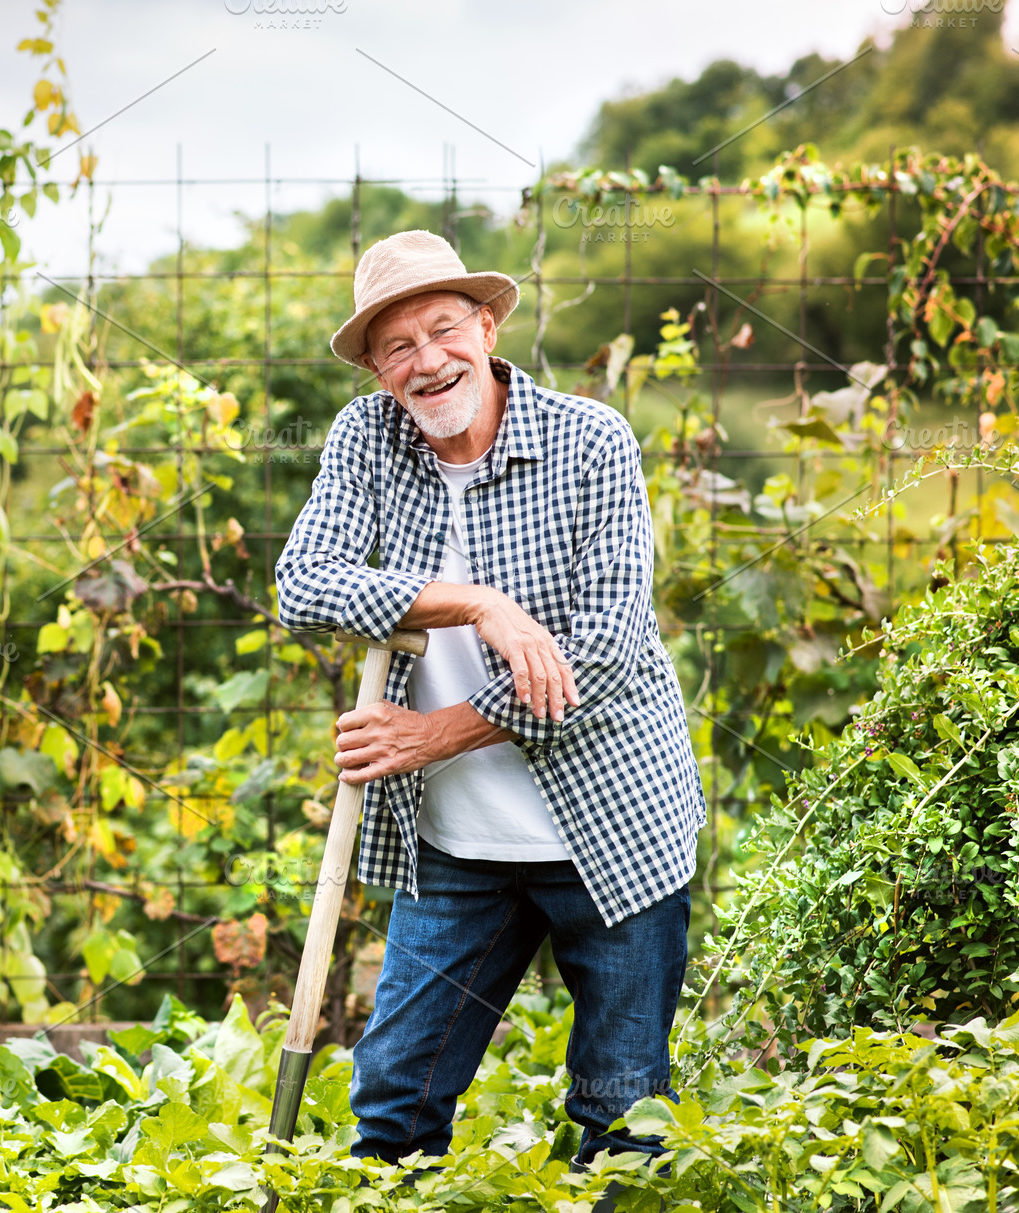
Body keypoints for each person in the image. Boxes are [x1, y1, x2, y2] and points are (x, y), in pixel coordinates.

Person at [275, 229, 705, 1176]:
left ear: (488, 322)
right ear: (380, 371)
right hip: (458, 847)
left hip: (615, 832)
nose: (427, 361)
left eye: (442, 328)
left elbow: (604, 647)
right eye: (397, 347)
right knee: (394, 1098)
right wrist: (477, 603)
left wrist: (432, 733)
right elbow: (302, 582)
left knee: (621, 1111)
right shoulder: (368, 439)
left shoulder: (590, 441)